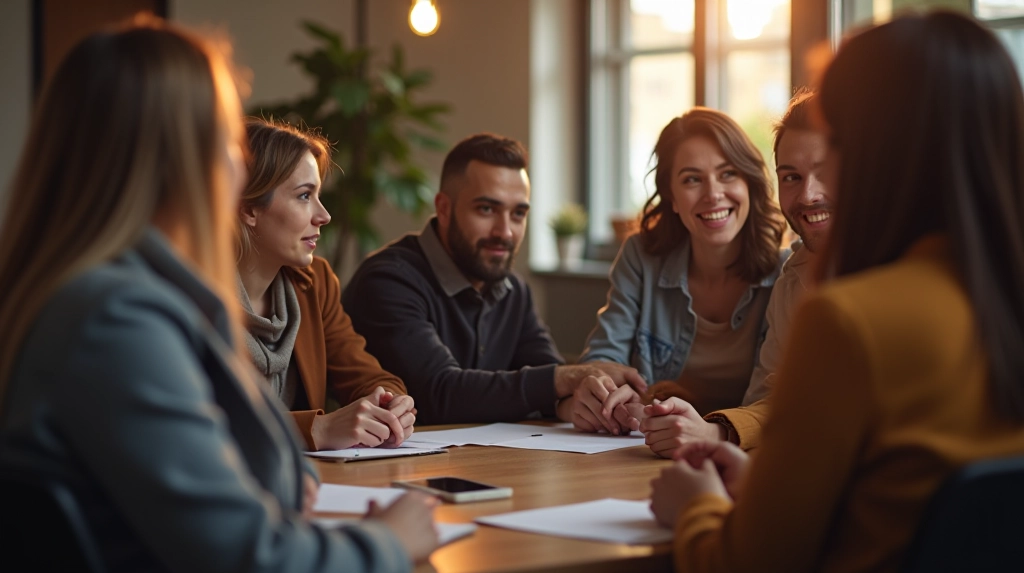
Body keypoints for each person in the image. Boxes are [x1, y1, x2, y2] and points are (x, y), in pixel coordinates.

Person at [0, 18, 437, 573]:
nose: (239, 162)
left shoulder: (86, 292)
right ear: (181, 156)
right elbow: (250, 559)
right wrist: (391, 541)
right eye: (228, 137)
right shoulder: (119, 319)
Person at [650, 11, 1024, 573]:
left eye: (839, 143)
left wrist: (695, 506)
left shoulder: (851, 321)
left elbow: (742, 567)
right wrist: (766, 488)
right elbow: (910, 504)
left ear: (878, 151)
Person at [343, 133, 645, 424]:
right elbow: (435, 393)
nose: (505, 232)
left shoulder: (514, 290)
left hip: (490, 464)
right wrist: (567, 380)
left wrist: (579, 405)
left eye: (518, 214)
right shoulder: (387, 281)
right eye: (487, 209)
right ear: (444, 208)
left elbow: (546, 375)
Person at [570, 108, 787, 439]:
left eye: (728, 174)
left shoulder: (786, 273)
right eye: (692, 179)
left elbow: (778, 402)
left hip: (741, 455)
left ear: (750, 183)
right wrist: (599, 387)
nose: (713, 193)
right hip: (645, 447)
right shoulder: (641, 257)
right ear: (671, 196)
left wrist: (714, 431)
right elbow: (605, 356)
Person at [642, 90, 829, 454]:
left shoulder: (914, 271)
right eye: (791, 177)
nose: (808, 195)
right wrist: (714, 433)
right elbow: (773, 398)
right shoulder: (795, 279)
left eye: (827, 173)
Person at [237, 118, 415, 451]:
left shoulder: (315, 282)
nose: (324, 215)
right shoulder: (189, 293)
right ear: (249, 209)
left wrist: (390, 402)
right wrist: (314, 429)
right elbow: (191, 426)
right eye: (304, 196)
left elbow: (365, 374)